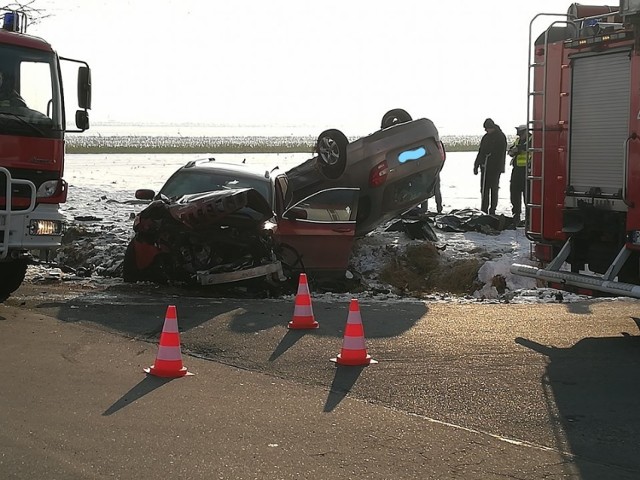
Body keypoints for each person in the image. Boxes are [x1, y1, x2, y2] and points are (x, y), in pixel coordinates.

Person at [473, 118, 507, 215]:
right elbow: (481, 151)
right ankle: (484, 208)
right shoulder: (486, 137)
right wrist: (476, 165)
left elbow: (501, 153)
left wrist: (492, 156)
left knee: (494, 188)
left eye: (487, 128)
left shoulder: (500, 137)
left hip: (495, 168)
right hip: (485, 167)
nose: (486, 130)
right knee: (484, 189)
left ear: (492, 127)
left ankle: (492, 209)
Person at [508, 125, 529, 227]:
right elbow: (511, 150)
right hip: (516, 170)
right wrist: (512, 151)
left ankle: (529, 218)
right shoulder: (517, 141)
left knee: (527, 196)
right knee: (514, 193)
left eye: (521, 134)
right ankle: (516, 216)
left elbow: (528, 147)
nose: (520, 137)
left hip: (528, 170)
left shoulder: (532, 139)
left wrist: (519, 149)